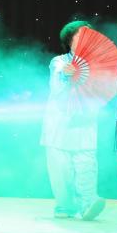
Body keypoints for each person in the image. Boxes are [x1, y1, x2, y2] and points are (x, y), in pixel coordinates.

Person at [40, 20, 106, 221]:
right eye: (80, 36)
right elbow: (56, 86)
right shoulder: (59, 62)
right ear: (70, 40)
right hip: (60, 126)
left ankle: (88, 203)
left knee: (86, 164)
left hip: (85, 124)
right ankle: (65, 206)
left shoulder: (98, 66)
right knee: (61, 170)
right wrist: (65, 75)